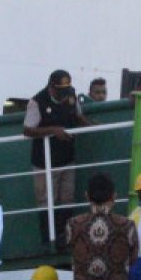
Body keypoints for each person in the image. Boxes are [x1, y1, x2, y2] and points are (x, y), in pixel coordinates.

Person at [23, 70, 94, 246]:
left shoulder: (71, 96)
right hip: (44, 162)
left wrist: (94, 127)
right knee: (47, 201)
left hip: (67, 158)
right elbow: (27, 130)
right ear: (51, 87)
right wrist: (53, 130)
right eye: (59, 91)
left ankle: (65, 238)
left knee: (67, 199)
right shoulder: (37, 102)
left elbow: (78, 116)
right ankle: (48, 241)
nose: (63, 95)